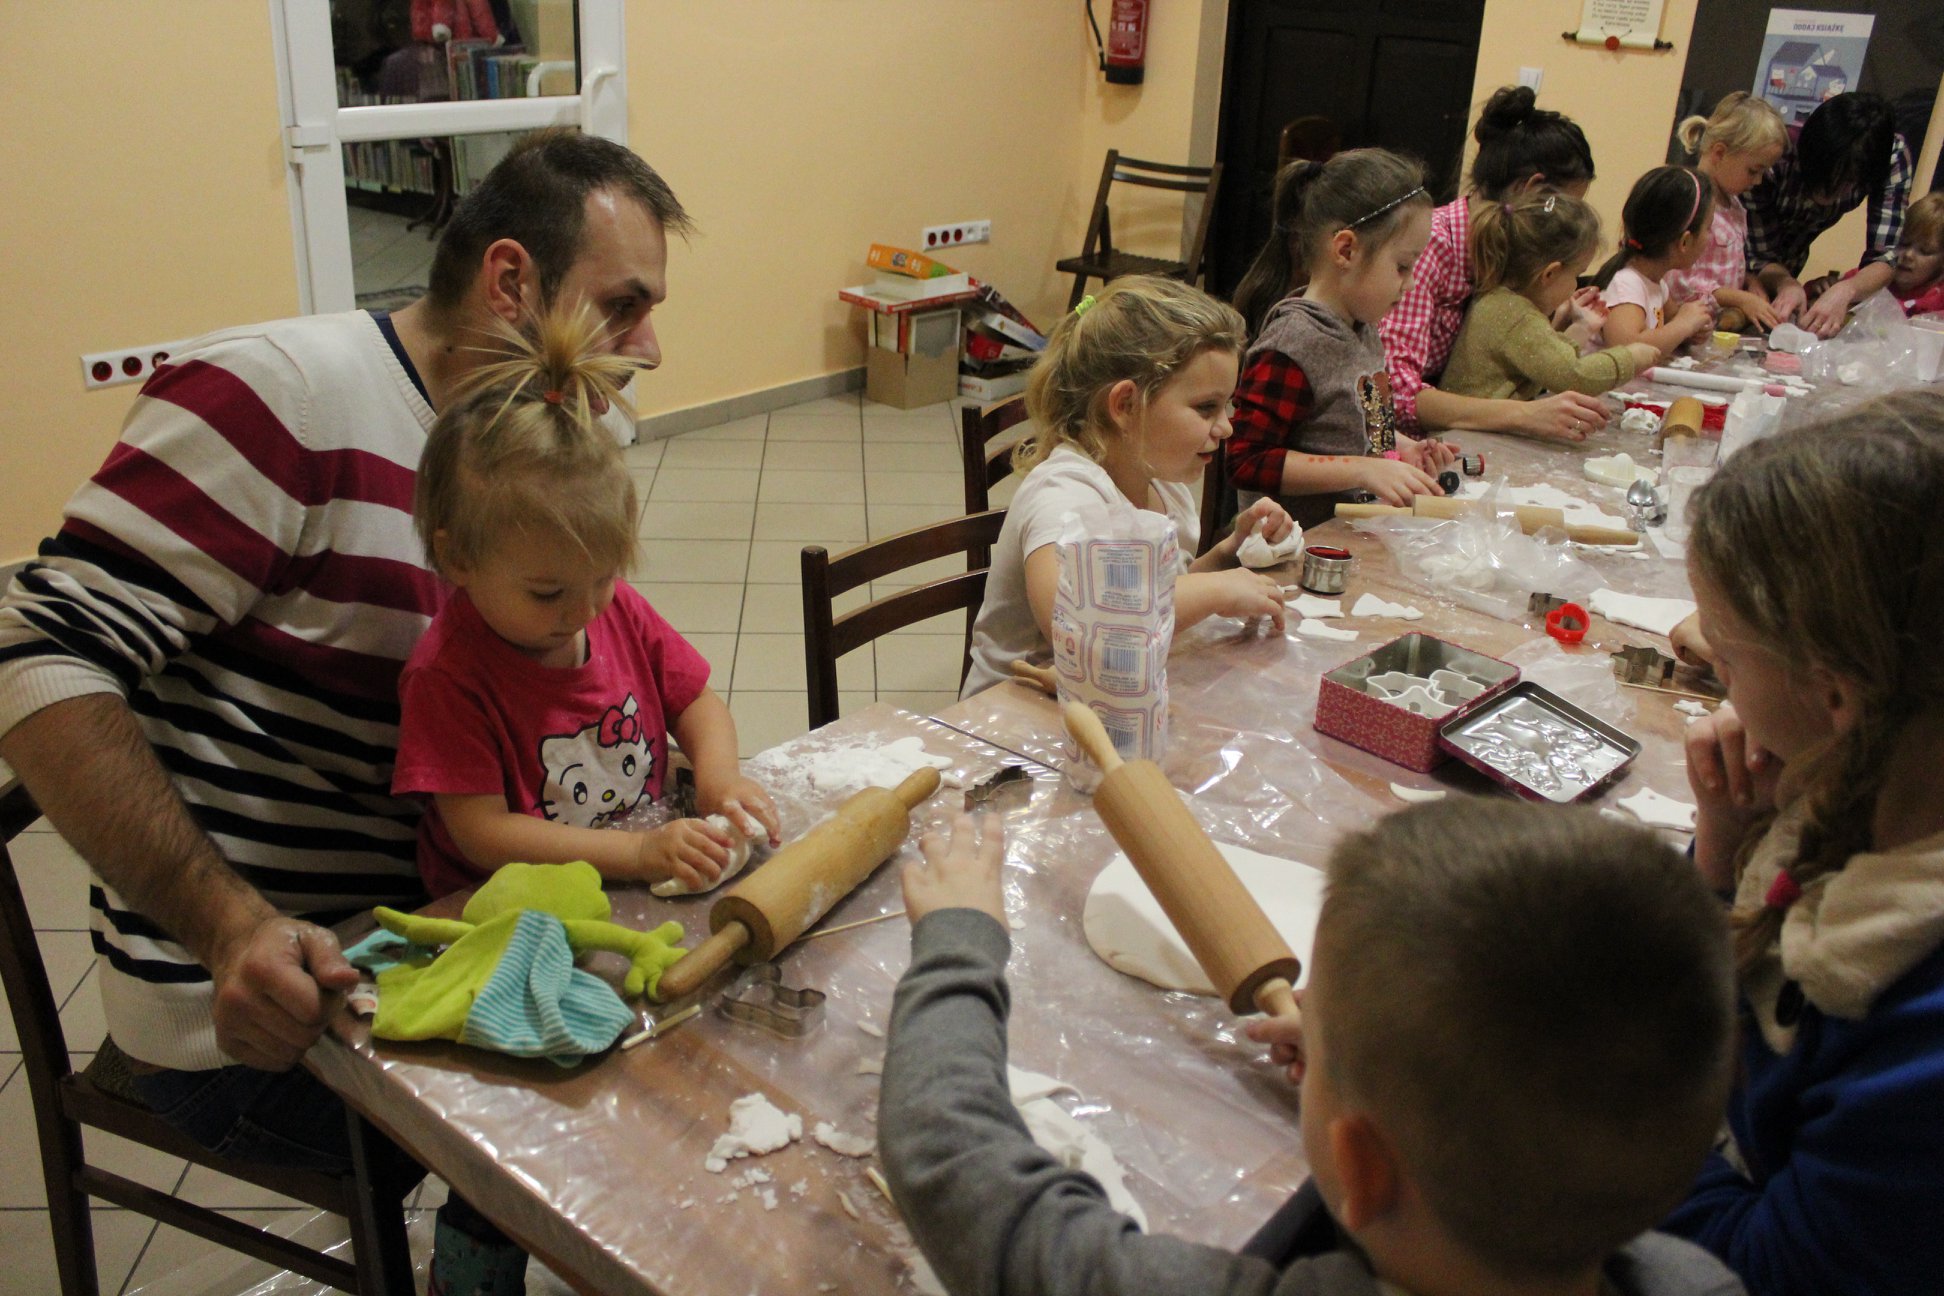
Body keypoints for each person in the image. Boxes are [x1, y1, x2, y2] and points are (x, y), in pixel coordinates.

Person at [0, 129, 688, 1294]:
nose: (651, 349)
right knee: (623, 1084)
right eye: (624, 306)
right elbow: (34, 653)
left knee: (699, 1017)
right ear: (510, 280)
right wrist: (229, 930)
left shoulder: (551, 437)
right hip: (259, 999)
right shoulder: (278, 400)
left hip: (447, 920)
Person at [881, 801, 1746, 1296]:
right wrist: (1362, 1065)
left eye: (1318, 1022)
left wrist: (961, 937)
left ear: (1362, 1168)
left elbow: (951, 1157)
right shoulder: (1693, 1281)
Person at [1661, 389, 1944, 1296]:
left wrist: (1573, 1092)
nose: (1723, 691)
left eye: (1728, 660)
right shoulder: (1874, 794)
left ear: (1834, 696)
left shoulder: (1919, 1043)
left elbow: (1754, 1271)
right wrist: (1721, 858)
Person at [396, 302, 778, 899]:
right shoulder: (447, 677)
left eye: (602, 577)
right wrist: (636, 853)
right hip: (512, 906)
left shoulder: (619, 609)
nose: (582, 611)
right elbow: (482, 834)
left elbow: (696, 701)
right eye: (547, 592)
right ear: (458, 557)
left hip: (629, 874)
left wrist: (719, 778)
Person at [959, 276, 1294, 698]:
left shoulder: (1161, 484)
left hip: (1103, 701)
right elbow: (1076, 628)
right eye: (1206, 408)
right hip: (1012, 718)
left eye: (1227, 405)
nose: (1226, 427)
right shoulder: (1063, 497)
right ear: (1125, 405)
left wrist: (1228, 555)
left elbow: (1154, 599)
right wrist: (1212, 592)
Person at [1225, 149, 1456, 530]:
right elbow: (1246, 461)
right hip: (1291, 549)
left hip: (1349, 536)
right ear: (1346, 250)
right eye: (1402, 266)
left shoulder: (1364, 327)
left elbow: (1368, 432)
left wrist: (1402, 450)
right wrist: (1361, 470)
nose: (1411, 283)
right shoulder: (1293, 343)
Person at [1377, 85, 1612, 442]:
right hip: (1400, 447)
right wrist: (1525, 415)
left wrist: (1555, 325)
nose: (1569, 222)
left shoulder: (1504, 253)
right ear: (1531, 188)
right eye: (1566, 207)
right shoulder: (1431, 246)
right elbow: (1394, 396)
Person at [1439, 194, 1659, 405]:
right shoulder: (1518, 316)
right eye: (1576, 275)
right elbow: (1575, 376)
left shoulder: (1501, 301)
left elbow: (1549, 365)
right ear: (1550, 274)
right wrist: (1630, 358)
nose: (1575, 285)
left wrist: (1581, 327)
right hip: (1475, 430)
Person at [1743, 92, 1915, 338]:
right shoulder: (1777, 153)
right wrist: (1785, 283)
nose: (1829, 195)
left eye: (1847, 182)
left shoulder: (1890, 156)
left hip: (1788, 264)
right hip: (1744, 265)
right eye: (1822, 180)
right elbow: (1759, 255)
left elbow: (1885, 256)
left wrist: (1846, 291)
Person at [1665, 92, 1789, 332]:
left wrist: (1749, 281)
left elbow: (1717, 268)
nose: (1758, 181)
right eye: (1753, 171)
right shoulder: (1689, 202)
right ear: (1719, 153)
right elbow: (1677, 280)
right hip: (1680, 327)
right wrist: (1739, 299)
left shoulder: (1735, 206)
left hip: (1713, 328)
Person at [1596, 166, 1717, 357]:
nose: (1710, 237)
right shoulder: (1627, 284)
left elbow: (1669, 327)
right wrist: (1683, 325)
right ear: (1685, 242)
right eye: (1708, 228)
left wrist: (1692, 331)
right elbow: (1626, 350)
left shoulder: (1656, 283)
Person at [1805, 191, 1944, 319]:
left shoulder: (1939, 299)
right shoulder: (1869, 278)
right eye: (1902, 244)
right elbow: (1811, 294)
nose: (1908, 255)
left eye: (1925, 251)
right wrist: (1818, 288)